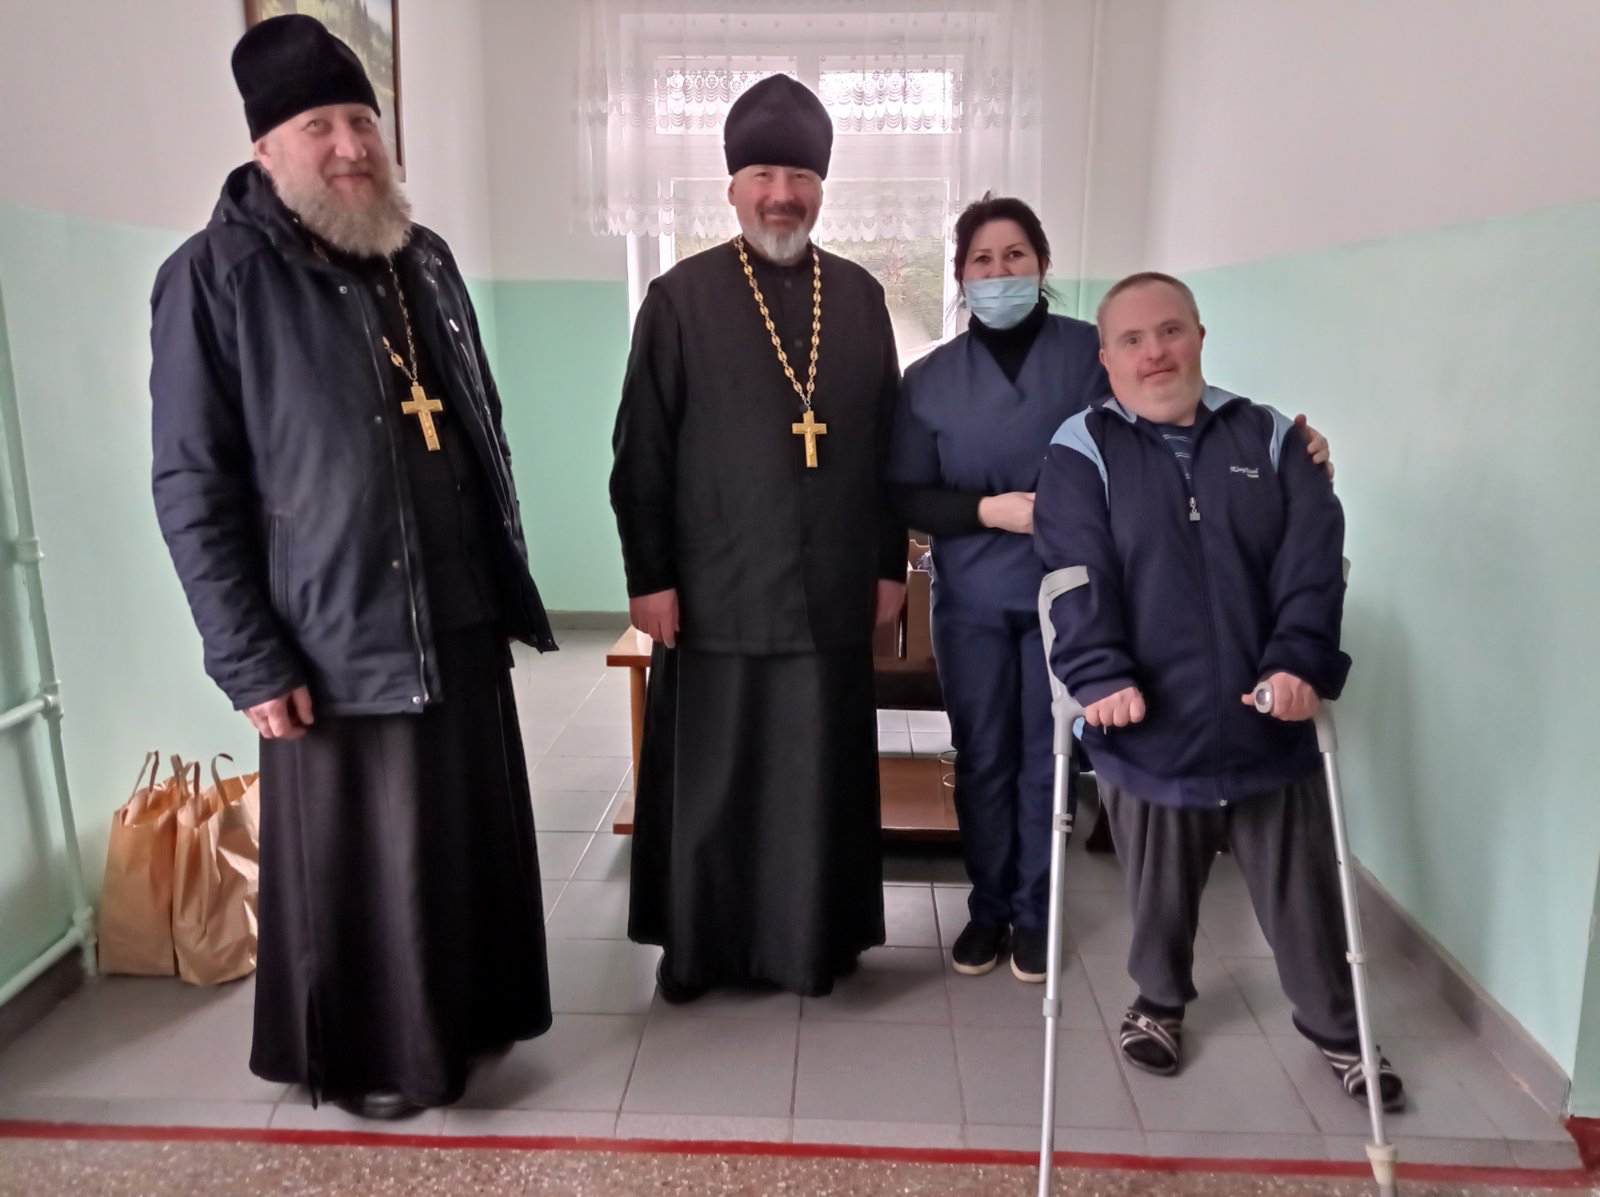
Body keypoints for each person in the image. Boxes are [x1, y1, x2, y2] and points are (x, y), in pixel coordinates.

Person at [150, 15, 556, 1119]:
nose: (349, 146)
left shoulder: (421, 256)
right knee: (371, 864)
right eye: (319, 126)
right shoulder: (214, 277)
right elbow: (191, 483)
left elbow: (475, 423)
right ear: (264, 148)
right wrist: (249, 657)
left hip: (458, 610)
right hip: (330, 632)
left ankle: (472, 1020)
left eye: (362, 121)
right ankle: (381, 1060)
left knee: (460, 840)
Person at [888, 199, 1331, 984]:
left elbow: (1171, 412)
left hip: (1080, 601)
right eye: (983, 260)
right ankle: (988, 906)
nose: (1000, 272)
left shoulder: (1087, 355)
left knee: (1046, 760)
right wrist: (987, 511)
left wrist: (1292, 453)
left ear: (1043, 265)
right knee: (982, 756)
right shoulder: (927, 380)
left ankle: (1035, 910)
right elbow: (906, 493)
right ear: (959, 275)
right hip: (973, 601)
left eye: (1015, 255)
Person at [1034, 271, 1404, 1110]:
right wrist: (1100, 674)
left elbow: (1313, 562)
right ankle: (1158, 1002)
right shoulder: (1081, 447)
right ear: (1106, 357)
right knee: (1158, 888)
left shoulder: (1270, 437)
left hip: (1265, 713)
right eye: (1132, 339)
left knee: (1303, 892)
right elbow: (1072, 569)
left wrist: (1299, 663)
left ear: (1199, 336)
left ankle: (1339, 1028)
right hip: (1147, 718)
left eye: (1170, 331)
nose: (1154, 352)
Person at [610, 74, 906, 1001]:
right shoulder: (679, 297)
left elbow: (888, 445)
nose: (784, 194)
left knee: (815, 777)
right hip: (716, 588)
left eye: (801, 177)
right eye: (765, 176)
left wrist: (888, 564)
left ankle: (811, 944)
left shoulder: (858, 297)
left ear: (822, 188)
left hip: (831, 585)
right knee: (717, 781)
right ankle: (702, 948)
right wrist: (650, 577)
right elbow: (640, 450)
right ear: (733, 187)